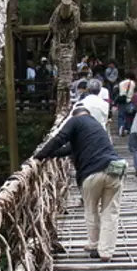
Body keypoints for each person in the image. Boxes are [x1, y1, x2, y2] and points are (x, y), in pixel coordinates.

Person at [35, 105, 127, 260]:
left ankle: (94, 243)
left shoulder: (75, 120)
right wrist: (51, 154)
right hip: (114, 171)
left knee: (91, 210)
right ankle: (105, 251)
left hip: (91, 175)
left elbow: (59, 139)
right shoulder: (96, 126)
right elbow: (67, 149)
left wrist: (39, 156)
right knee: (110, 212)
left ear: (74, 115)